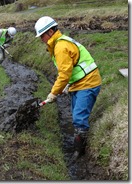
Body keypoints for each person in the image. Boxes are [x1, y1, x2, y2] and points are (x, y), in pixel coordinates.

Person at [34, 16, 102, 160]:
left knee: (78, 117)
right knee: (75, 115)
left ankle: (79, 152)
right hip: (78, 83)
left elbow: (64, 74)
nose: (41, 39)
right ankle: (79, 142)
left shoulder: (60, 47)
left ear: (51, 32)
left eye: (42, 36)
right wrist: (67, 85)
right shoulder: (58, 43)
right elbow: (69, 70)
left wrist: (54, 93)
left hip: (88, 83)